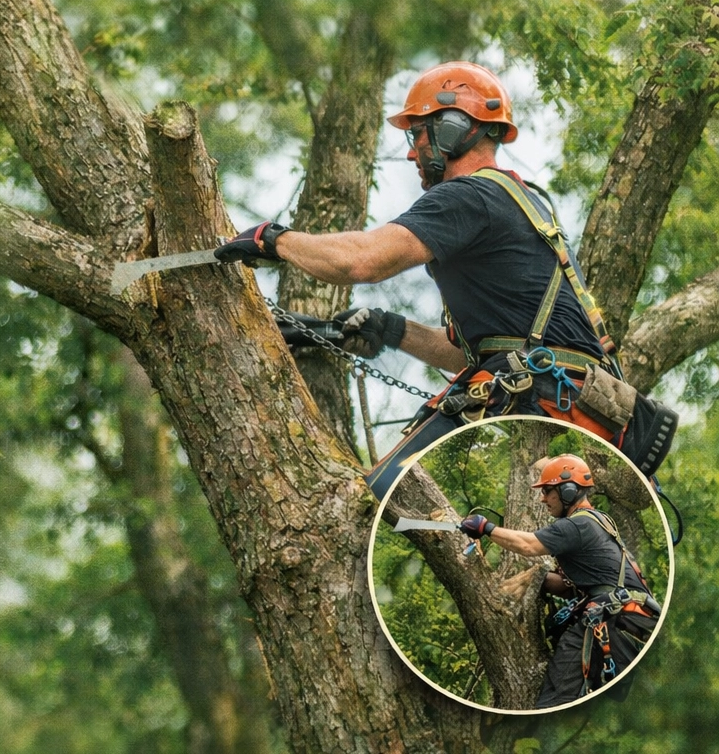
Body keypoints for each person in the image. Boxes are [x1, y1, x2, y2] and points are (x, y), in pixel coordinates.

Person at [212, 61, 673, 496]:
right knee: (385, 498)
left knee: (376, 500)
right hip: (555, 394)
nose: (412, 151)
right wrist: (391, 329)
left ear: (453, 129)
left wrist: (273, 239)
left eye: (419, 135)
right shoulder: (521, 202)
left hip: (535, 394)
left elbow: (362, 261)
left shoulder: (469, 196)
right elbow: (472, 353)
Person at [458, 454, 659, 708]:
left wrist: (485, 528)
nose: (542, 499)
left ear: (568, 491)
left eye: (548, 491)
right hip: (628, 620)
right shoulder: (599, 521)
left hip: (612, 619)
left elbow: (527, 545)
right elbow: (574, 585)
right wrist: (537, 580)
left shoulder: (576, 526)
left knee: (555, 699)